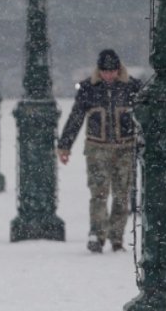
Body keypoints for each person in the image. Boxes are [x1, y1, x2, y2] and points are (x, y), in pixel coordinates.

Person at [57, 49, 142, 253]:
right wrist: (65, 145)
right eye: (105, 71)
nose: (108, 76)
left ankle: (116, 236)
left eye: (112, 71)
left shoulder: (132, 88)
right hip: (97, 149)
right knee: (99, 193)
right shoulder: (88, 88)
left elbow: (144, 119)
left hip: (125, 148)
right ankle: (97, 234)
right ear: (99, 70)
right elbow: (76, 117)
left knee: (122, 195)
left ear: (118, 70)